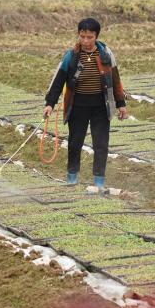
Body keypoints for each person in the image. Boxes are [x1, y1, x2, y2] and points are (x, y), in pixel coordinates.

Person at [44, 18, 128, 191]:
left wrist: (121, 104)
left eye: (89, 37)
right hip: (78, 106)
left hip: (100, 107)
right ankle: (72, 178)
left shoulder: (106, 54)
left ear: (96, 36)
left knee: (101, 144)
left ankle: (98, 182)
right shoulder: (71, 56)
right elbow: (58, 81)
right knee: (75, 143)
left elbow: (115, 80)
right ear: (78, 35)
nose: (85, 41)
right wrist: (50, 104)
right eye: (82, 36)